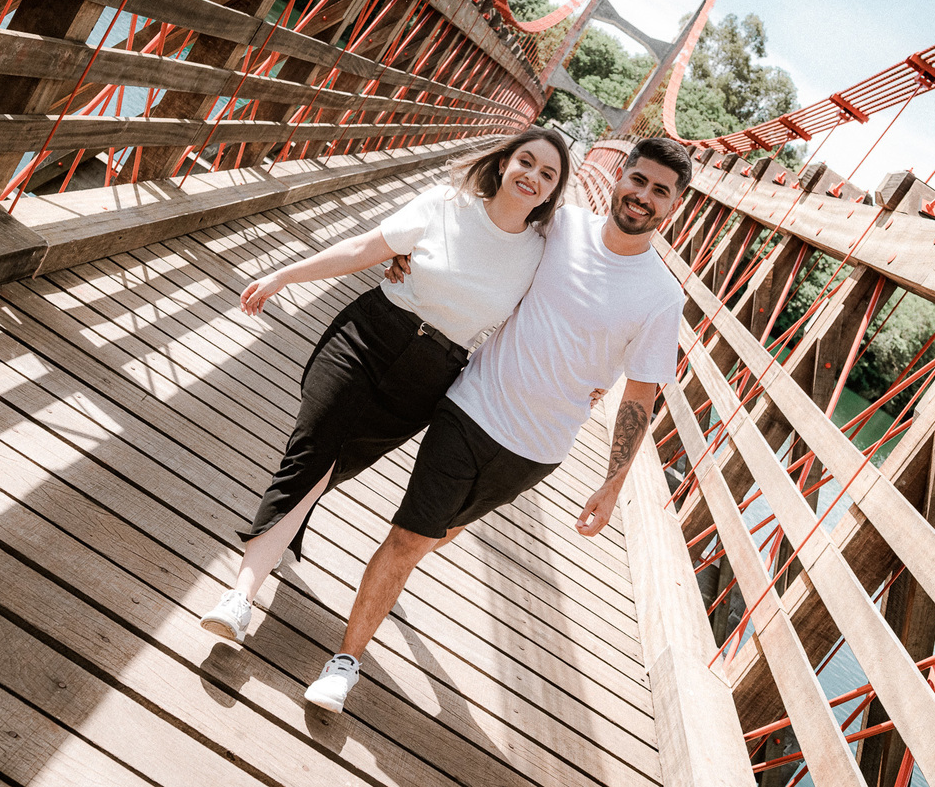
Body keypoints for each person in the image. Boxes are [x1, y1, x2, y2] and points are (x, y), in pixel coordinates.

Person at [302, 138, 690, 713]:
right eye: (638, 180)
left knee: (432, 538)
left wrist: (612, 484)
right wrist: (415, 255)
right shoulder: (560, 227)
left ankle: (363, 569)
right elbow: (483, 230)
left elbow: (639, 392)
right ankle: (345, 662)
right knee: (409, 536)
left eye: (661, 190)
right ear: (619, 177)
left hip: (537, 451)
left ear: (676, 205)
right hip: (471, 405)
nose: (644, 197)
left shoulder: (662, 296)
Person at [199, 128, 571, 645]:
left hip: (429, 377)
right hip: (367, 336)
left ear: (555, 191)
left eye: (547, 173)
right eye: (525, 162)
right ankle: (239, 597)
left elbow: (576, 304)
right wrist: (284, 276)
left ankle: (282, 533)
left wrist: (592, 377)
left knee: (335, 467)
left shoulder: (543, 254)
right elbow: (365, 246)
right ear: (504, 162)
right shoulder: (447, 204)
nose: (533, 176)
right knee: (310, 457)